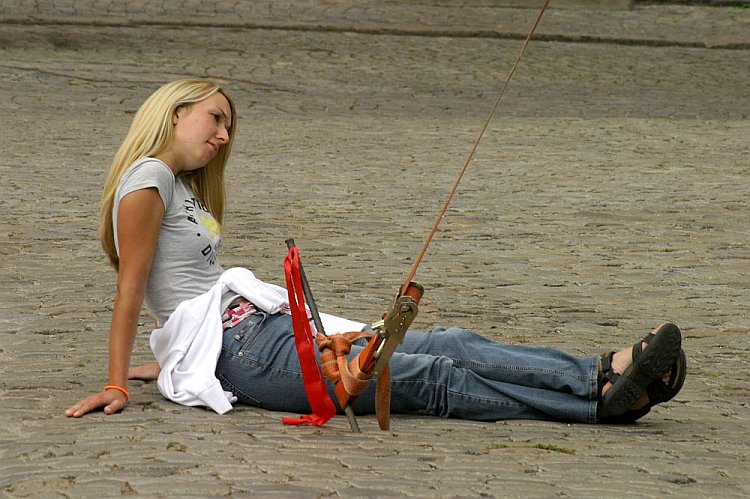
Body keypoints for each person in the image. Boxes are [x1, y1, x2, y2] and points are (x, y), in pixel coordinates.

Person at [65, 79, 686, 424]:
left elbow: (177, 294)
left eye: (228, 126)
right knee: (425, 376)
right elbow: (130, 291)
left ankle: (605, 369)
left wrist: (173, 363)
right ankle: (600, 406)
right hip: (245, 349)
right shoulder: (146, 181)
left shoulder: (175, 185)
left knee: (451, 343)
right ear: (175, 111)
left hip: (261, 328)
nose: (224, 135)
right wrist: (119, 383)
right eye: (216, 119)